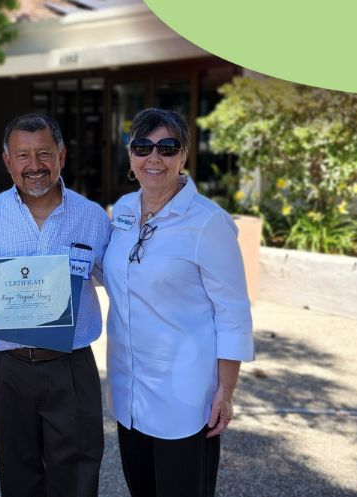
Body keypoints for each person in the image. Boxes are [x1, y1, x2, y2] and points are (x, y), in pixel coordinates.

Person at [0, 113, 110, 497]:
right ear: (7, 161)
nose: (34, 166)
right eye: (23, 156)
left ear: (62, 156)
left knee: (77, 477)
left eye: (44, 154)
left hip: (70, 366)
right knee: (17, 476)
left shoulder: (91, 218)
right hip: (9, 369)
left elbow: (117, 277)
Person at [102, 108, 255, 497]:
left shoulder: (208, 222)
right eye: (143, 146)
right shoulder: (121, 210)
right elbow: (114, 273)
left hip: (186, 396)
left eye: (167, 147)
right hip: (130, 388)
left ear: (184, 155)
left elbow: (233, 313)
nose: (154, 158)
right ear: (130, 155)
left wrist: (226, 389)